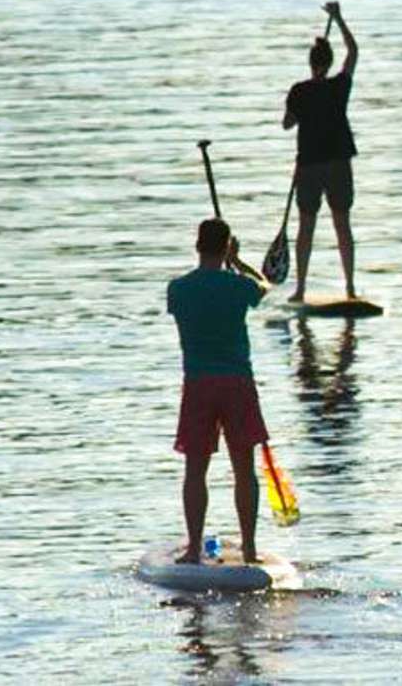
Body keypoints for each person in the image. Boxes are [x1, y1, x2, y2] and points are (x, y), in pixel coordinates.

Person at [167, 218, 270, 563]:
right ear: (226, 247)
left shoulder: (178, 289)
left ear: (197, 246)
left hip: (198, 384)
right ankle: (250, 547)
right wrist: (237, 263)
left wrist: (225, 263)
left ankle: (194, 548)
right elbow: (265, 287)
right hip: (237, 383)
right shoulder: (238, 286)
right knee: (244, 468)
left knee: (195, 470)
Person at [282, 1, 360, 302]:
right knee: (343, 225)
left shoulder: (299, 91)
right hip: (338, 164)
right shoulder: (340, 86)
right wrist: (339, 19)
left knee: (306, 227)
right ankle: (350, 287)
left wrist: (300, 111)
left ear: (311, 62)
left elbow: (287, 124)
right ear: (328, 63)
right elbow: (353, 53)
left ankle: (300, 289)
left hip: (310, 166)